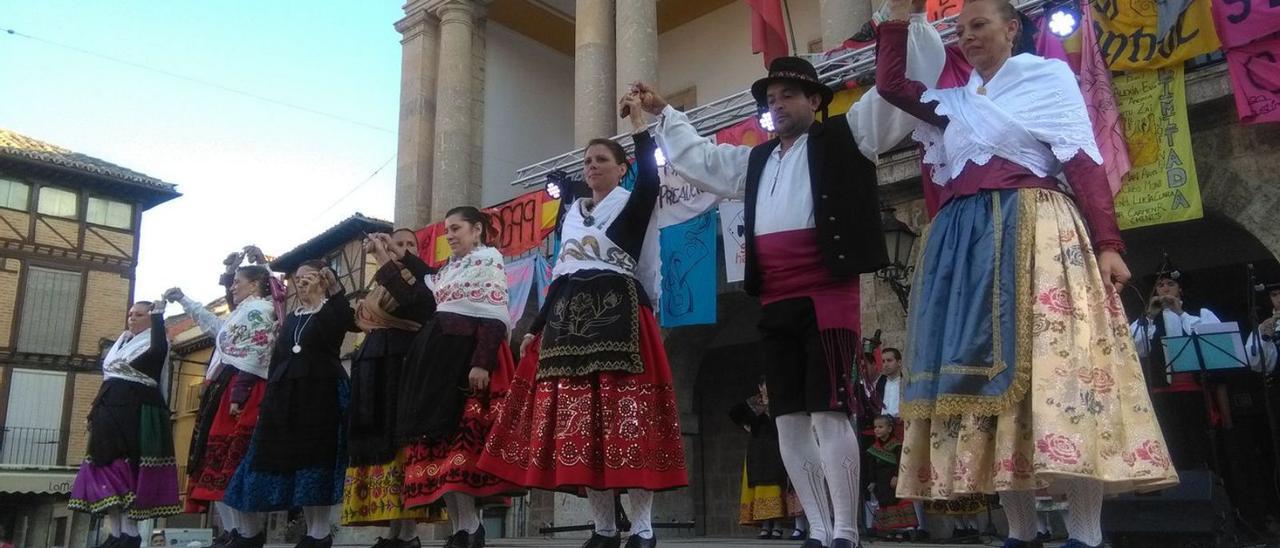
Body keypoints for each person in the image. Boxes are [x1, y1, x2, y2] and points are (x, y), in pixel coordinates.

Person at [876, 0, 1180, 546]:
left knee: (1059, 376)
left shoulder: (1048, 78)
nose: (968, 37)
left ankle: (1085, 533)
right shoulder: (955, 102)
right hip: (965, 243)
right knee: (991, 395)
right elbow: (892, 86)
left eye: (980, 25)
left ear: (1013, 28)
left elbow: (1084, 163)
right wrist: (895, 19)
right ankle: (1020, 531)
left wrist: (1109, 243)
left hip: (1034, 228)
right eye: (961, 30)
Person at [636, 26, 944, 545]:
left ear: (814, 99)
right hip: (775, 294)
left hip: (826, 291)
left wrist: (905, 25)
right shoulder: (755, 160)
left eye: (787, 96)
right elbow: (700, 159)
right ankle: (819, 528)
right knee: (787, 420)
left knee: (828, 410)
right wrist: (665, 113)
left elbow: (902, 88)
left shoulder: (849, 134)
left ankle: (846, 528)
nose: (777, 106)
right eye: (771, 100)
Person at [480, 94, 686, 548]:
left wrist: (637, 125)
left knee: (625, 423)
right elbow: (559, 275)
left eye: (600, 160)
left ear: (620, 167)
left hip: (621, 314)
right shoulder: (572, 213)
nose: (591, 166)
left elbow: (652, 177)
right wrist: (533, 329)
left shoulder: (634, 202)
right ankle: (604, 528)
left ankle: (644, 529)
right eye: (587, 161)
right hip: (568, 319)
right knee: (583, 426)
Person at [396, 207, 521, 548]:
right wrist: (395, 256)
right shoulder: (450, 270)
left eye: (456, 228)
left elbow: (493, 317)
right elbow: (423, 281)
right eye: (447, 229)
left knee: (459, 451)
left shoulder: (487, 262)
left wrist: (481, 362)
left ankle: (471, 527)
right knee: (439, 449)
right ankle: (462, 528)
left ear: (477, 230)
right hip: (436, 365)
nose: (449, 235)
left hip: (465, 364)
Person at [222, 261, 355, 548]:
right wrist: (269, 398)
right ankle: (248, 533)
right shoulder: (292, 317)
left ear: (323, 280)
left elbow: (343, 318)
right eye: (298, 277)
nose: (302, 281)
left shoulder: (332, 310)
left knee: (315, 459)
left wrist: (332, 290)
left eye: (310, 276)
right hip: (284, 395)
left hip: (320, 394)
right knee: (261, 458)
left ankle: (318, 534)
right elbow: (278, 357)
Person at [168, 249, 282, 548]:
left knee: (235, 459)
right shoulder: (244, 313)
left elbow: (257, 353)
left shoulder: (261, 311)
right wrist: (186, 301)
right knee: (219, 459)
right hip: (228, 386)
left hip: (245, 388)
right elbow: (215, 327)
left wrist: (241, 391)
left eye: (237, 281)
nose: (232, 287)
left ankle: (249, 532)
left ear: (254, 284)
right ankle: (238, 532)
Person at [342, 229, 443, 545]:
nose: (401, 249)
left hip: (405, 365)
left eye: (408, 245)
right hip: (373, 367)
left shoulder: (427, 282)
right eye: (396, 243)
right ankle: (392, 530)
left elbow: (408, 299)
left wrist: (384, 255)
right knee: (375, 437)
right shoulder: (376, 288)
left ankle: (410, 533)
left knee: (402, 441)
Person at [69, 299, 180, 547]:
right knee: (105, 468)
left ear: (151, 320)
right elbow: (108, 381)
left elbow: (158, 352)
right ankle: (117, 533)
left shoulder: (153, 345)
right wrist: (93, 416)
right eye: (130, 314)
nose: (132, 318)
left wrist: (160, 316)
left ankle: (130, 533)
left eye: (139, 315)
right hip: (108, 415)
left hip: (133, 415)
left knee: (127, 472)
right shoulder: (122, 344)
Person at [1130, 260, 1221, 384]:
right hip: (1162, 384)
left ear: (1180, 289)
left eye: (1170, 284)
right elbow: (1134, 348)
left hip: (1199, 383)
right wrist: (1150, 317)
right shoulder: (1148, 318)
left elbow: (1215, 341)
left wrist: (1181, 313)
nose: (1165, 289)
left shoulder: (1200, 311)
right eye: (1160, 285)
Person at [729, 380, 790, 540]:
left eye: (767, 385)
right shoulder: (754, 402)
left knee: (775, 482)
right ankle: (764, 525)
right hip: (757, 447)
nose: (765, 389)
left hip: (775, 445)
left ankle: (777, 525)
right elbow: (734, 412)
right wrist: (746, 426)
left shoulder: (777, 403)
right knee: (759, 483)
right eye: (763, 386)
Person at [864, 415, 916, 541]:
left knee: (896, 502)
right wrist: (872, 481)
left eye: (880, 427)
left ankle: (902, 531)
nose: (877, 429)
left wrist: (898, 476)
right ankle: (888, 531)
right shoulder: (873, 449)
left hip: (893, 479)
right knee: (883, 503)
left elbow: (900, 463)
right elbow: (871, 467)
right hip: (881, 482)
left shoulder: (897, 445)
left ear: (889, 429)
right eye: (875, 427)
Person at [1246, 283, 1280, 375]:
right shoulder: (1264, 327)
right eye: (1274, 295)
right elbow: (1253, 364)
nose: (1279, 299)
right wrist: (1265, 340)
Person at [875, 348, 904, 417]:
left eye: (889, 360)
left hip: (900, 423)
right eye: (883, 361)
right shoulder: (880, 383)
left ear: (899, 362)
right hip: (882, 422)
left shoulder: (906, 383)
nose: (885, 364)